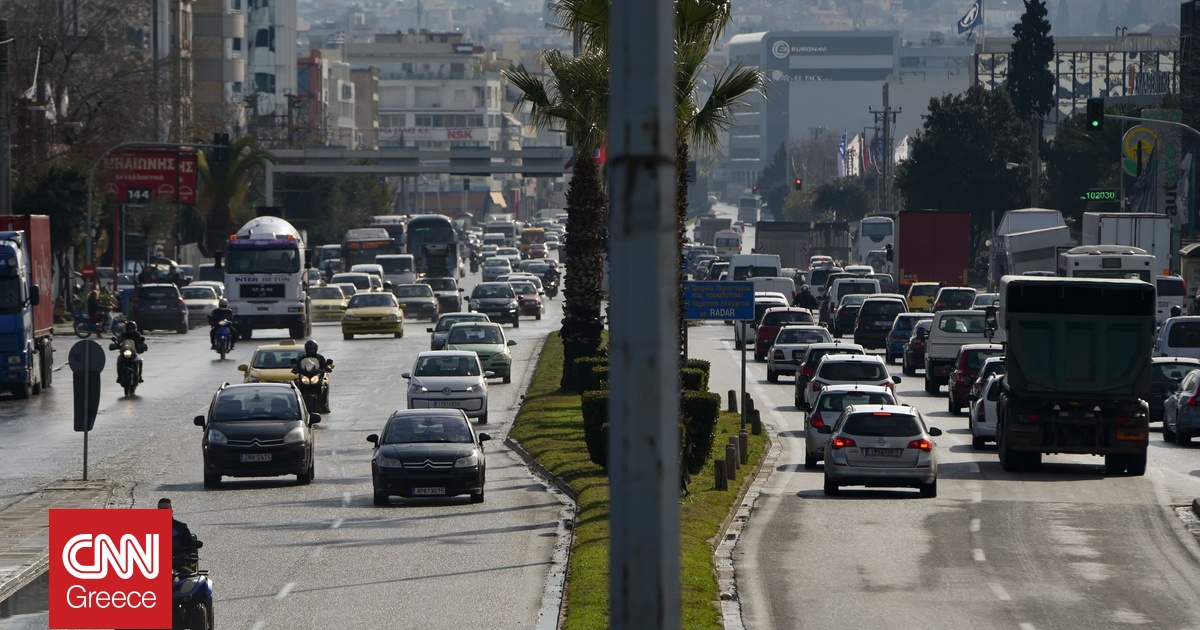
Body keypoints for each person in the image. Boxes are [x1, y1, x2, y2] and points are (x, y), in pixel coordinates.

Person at [158, 498, 196, 570]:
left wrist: (190, 554)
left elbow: (189, 545)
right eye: (161, 510)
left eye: (165, 509)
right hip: (156, 565)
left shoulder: (181, 527)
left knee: (189, 578)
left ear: (171, 511)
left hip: (177, 564)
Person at [293, 340, 331, 413]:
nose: (311, 351)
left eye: (312, 349)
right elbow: (297, 365)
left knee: (324, 386)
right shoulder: (302, 357)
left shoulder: (320, 358)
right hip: (305, 378)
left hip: (316, 378)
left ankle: (323, 405)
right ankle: (297, 406)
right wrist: (295, 369)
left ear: (316, 349)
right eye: (309, 349)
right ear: (306, 349)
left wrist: (326, 367)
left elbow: (325, 365)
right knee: (296, 386)